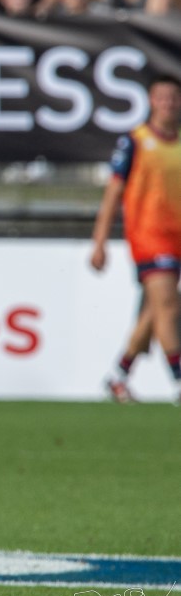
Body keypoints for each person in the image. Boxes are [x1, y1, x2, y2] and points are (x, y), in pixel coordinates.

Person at [90, 74, 181, 404]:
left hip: (177, 238)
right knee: (170, 306)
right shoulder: (136, 141)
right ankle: (178, 380)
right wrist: (99, 241)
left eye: (174, 97)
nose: (168, 104)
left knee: (153, 311)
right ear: (150, 101)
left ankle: (118, 376)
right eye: (162, 98)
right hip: (149, 237)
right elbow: (114, 192)